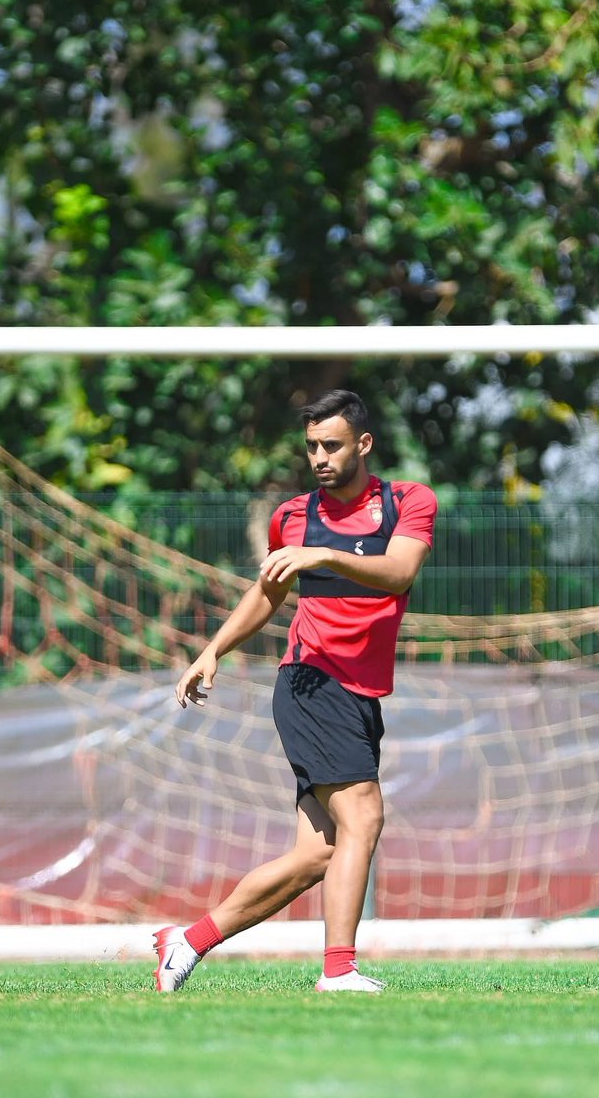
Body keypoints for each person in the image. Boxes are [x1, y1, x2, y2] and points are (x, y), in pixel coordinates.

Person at [153, 388, 438, 994]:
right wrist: (212, 651)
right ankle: (338, 971)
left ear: (363, 444)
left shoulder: (408, 502)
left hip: (361, 693)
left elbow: (399, 572)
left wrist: (323, 553)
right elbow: (265, 595)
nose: (319, 457)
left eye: (331, 445)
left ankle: (187, 941)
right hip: (311, 680)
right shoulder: (292, 516)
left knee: (318, 853)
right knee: (364, 814)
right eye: (311, 447)